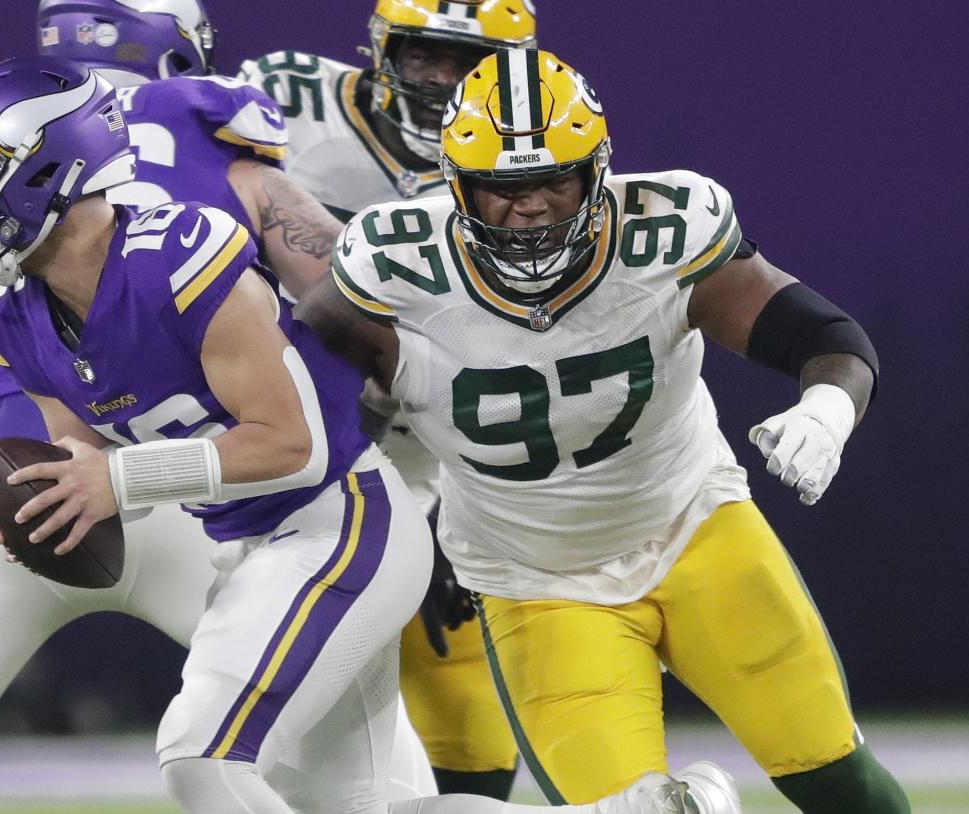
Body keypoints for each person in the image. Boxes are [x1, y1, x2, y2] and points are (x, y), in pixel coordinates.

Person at [0, 54, 681, 814]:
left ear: (46, 173)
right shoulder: (13, 311)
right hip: (254, 545)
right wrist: (58, 501)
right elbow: (93, 467)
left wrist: (117, 482)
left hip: (340, 518)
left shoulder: (176, 252)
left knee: (202, 759)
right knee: (358, 808)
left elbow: (292, 446)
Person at [0, 2, 430, 810]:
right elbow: (356, 314)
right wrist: (402, 419)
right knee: (342, 785)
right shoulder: (39, 239)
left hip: (96, 485)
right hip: (151, 489)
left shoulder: (123, 223)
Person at [295, 48, 913, 814]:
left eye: (555, 177)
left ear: (597, 170)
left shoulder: (665, 229)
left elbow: (823, 334)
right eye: (501, 186)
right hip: (533, 579)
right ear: (457, 184)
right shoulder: (395, 267)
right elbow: (305, 400)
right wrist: (402, 526)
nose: (532, 206)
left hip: (697, 529)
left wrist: (826, 411)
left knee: (838, 780)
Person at [239, 1, 535, 797]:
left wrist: (458, 515)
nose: (442, 80)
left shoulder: (535, 162)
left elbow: (526, 351)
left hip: (426, 448)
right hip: (276, 434)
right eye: (424, 54)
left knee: (461, 676)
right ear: (381, 49)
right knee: (274, 693)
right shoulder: (285, 100)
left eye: (465, 62)